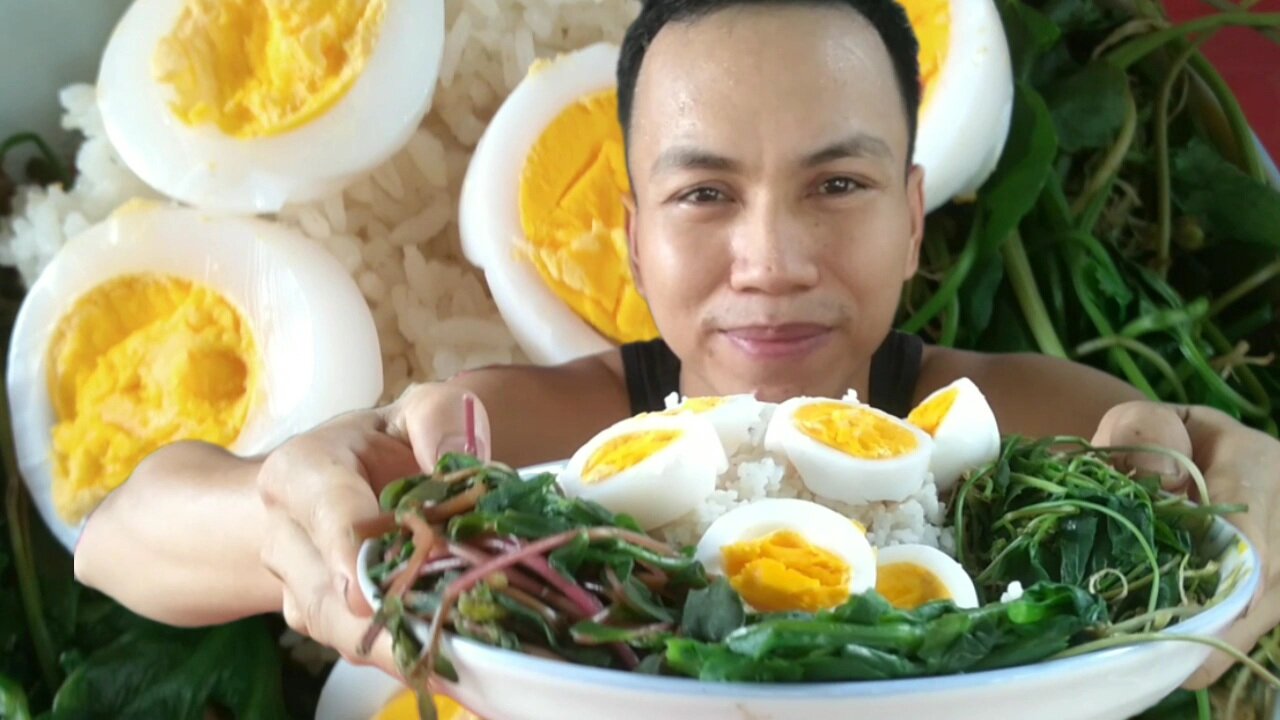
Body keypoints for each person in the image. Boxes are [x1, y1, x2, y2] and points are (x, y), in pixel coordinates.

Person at [74, 0, 1279, 690]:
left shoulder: (1035, 438)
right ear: (632, 234)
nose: (769, 259)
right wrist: (284, 512)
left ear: (913, 216)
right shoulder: (530, 441)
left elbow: (1214, 516)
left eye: (838, 185)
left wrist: (1254, 501)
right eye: (704, 197)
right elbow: (120, 539)